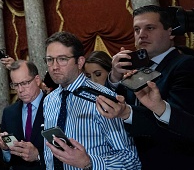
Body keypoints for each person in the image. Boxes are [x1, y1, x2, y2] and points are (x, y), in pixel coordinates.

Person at [100, 5, 194, 169]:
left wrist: (128, 113)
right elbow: (115, 103)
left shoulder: (186, 65)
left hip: (177, 161)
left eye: (150, 28)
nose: (141, 35)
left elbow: (179, 121)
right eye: (136, 30)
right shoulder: (135, 69)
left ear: (170, 32)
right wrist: (114, 77)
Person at [43, 31, 140, 170]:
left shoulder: (103, 98)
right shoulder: (49, 100)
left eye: (62, 59)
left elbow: (131, 160)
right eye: (50, 59)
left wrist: (89, 163)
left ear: (80, 62)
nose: (54, 66)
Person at [0, 60, 45, 170]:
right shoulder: (9, 113)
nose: (20, 90)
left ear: (37, 80)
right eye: (15, 85)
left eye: (24, 83)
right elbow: (5, 161)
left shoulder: (53, 105)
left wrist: (38, 155)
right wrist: (5, 150)